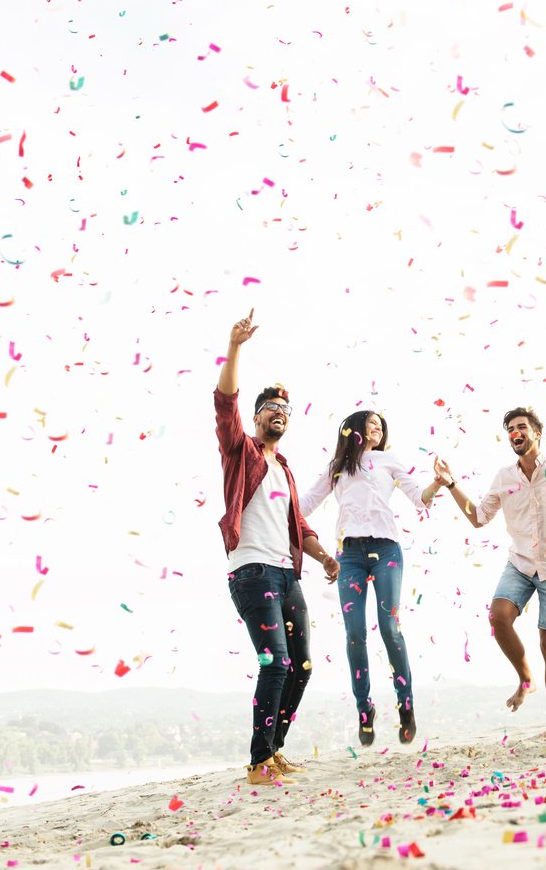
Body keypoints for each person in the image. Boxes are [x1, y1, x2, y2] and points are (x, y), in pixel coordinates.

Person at [214, 309, 339, 785]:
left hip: (287, 574)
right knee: (276, 662)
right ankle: (257, 762)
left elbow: (298, 523)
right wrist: (236, 346)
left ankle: (274, 749)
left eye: (285, 412)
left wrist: (324, 555)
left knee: (301, 667)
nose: (279, 415)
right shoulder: (240, 451)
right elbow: (225, 404)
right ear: (257, 416)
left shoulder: (284, 469)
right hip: (252, 572)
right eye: (271, 410)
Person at [432, 407, 546, 740]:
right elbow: (478, 517)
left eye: (521, 427)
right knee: (498, 615)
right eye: (510, 429)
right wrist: (450, 485)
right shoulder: (504, 477)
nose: (515, 433)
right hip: (520, 562)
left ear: (537, 432)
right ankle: (525, 677)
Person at [299, 410, 447, 747]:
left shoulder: (388, 461)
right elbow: (306, 502)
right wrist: (277, 500)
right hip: (349, 555)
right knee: (354, 633)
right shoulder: (337, 464)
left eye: (381, 423)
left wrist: (436, 483)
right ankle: (364, 710)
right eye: (371, 422)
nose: (377, 427)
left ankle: (405, 704)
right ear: (353, 429)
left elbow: (419, 498)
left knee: (389, 627)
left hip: (387, 550)